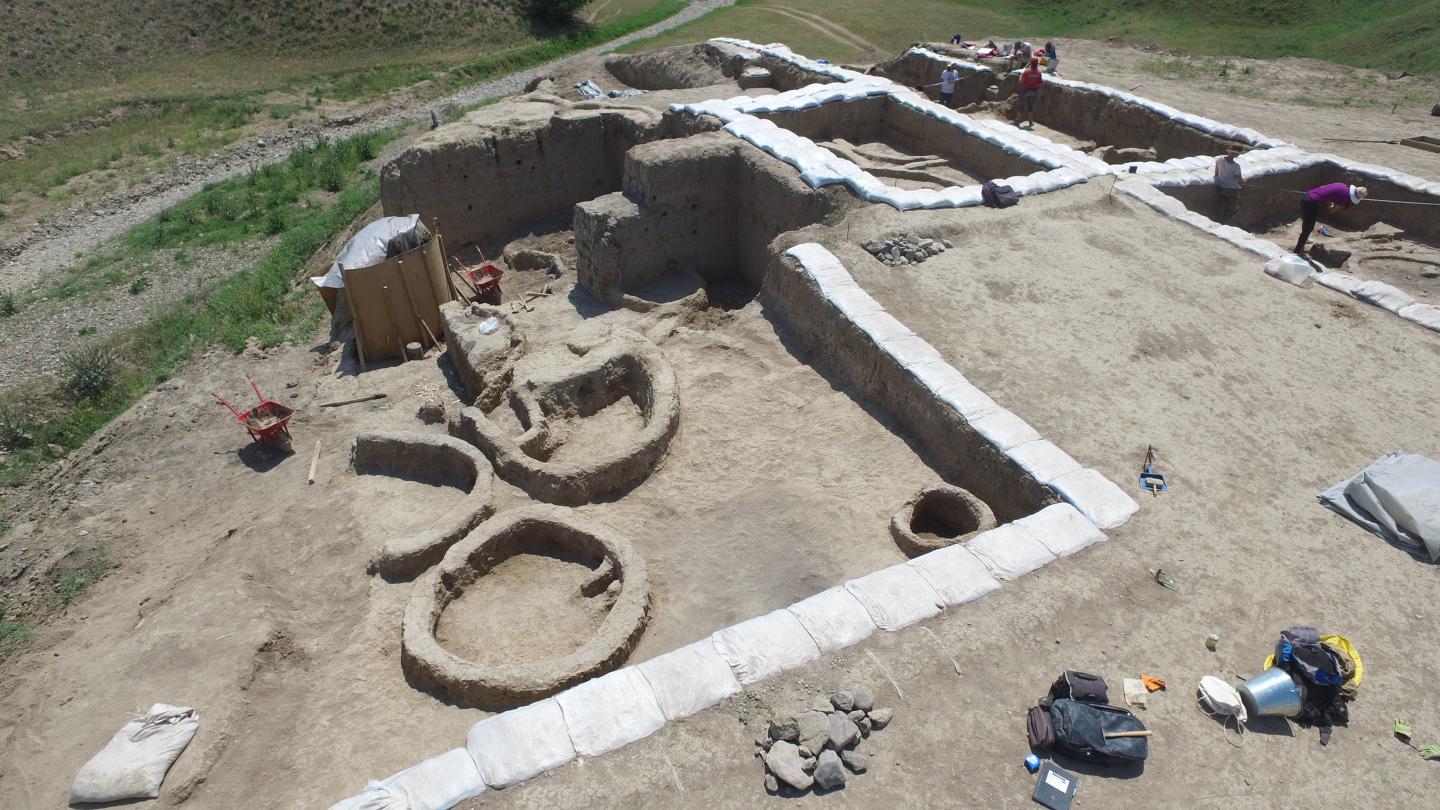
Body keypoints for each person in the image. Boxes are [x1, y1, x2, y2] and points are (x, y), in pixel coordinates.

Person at [1295, 183, 1367, 255]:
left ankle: (1304, 240)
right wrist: (1332, 208)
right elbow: (1331, 210)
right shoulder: (1345, 198)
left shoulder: (1343, 186)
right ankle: (1297, 251)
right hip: (1311, 203)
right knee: (1309, 227)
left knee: (1307, 223)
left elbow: (1326, 190)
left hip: (1307, 196)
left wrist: (1329, 202)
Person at [1213, 145, 1244, 224]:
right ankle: (1227, 224)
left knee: (1222, 205)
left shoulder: (1219, 160)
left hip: (1222, 187)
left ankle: (1217, 221)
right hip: (1233, 190)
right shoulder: (1236, 166)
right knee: (1232, 209)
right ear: (1236, 155)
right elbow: (1239, 178)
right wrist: (1241, 182)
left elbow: (1216, 173)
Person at [1017, 58, 1043, 129]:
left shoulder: (1027, 71)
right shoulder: (1039, 72)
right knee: (1030, 107)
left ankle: (1018, 121)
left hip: (1025, 90)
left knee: (1022, 106)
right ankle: (1031, 122)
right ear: (1037, 64)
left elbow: (1021, 82)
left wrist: (1020, 77)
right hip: (1034, 91)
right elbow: (1040, 84)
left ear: (1031, 63)